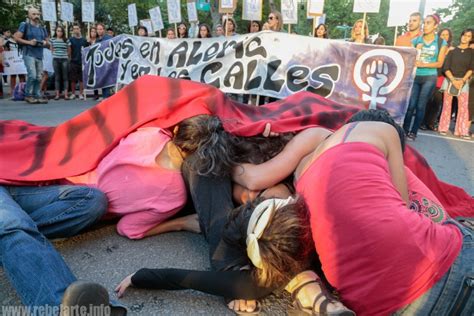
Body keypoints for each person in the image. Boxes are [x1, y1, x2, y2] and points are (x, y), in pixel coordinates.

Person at [0, 183, 110, 312]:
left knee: (92, 199)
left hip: (15, 183)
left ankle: (13, 234)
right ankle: (58, 308)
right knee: (12, 226)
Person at [403, 14, 448, 141]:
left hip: (430, 76)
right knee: (411, 105)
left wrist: (424, 64)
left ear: (435, 26)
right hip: (416, 76)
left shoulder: (440, 42)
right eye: (425, 23)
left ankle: (413, 132)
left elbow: (439, 63)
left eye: (429, 23)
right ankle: (405, 130)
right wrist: (416, 51)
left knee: (420, 106)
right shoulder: (417, 40)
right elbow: (409, 58)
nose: (425, 25)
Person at [438, 28, 474, 139]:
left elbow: (472, 68)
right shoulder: (452, 51)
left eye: (468, 36)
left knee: (463, 108)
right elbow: (446, 67)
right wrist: (453, 80)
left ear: (471, 39)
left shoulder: (472, 52)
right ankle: (443, 128)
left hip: (464, 82)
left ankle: (461, 131)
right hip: (450, 80)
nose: (465, 38)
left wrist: (462, 80)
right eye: (464, 35)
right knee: (446, 106)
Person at [13, 7, 49, 104]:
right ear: (29, 15)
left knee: (38, 76)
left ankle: (37, 95)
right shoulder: (24, 25)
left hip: (39, 54)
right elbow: (16, 37)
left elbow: (48, 42)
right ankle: (28, 95)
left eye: (37, 14)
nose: (36, 16)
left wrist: (45, 42)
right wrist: (29, 42)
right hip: (28, 53)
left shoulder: (42, 27)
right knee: (32, 75)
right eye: (33, 14)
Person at [422, 27, 454, 130]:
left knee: (437, 101)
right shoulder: (434, 47)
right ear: (439, 36)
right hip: (431, 74)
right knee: (427, 100)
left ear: (449, 37)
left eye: (446, 35)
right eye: (442, 35)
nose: (444, 36)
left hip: (442, 78)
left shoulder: (452, 50)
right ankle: (422, 122)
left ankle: (431, 122)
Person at [3, 28, 26, 98]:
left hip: (20, 61)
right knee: (13, 76)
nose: (18, 35)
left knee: (22, 76)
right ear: (13, 35)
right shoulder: (8, 42)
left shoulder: (21, 42)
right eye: (16, 34)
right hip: (12, 62)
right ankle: (12, 91)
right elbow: (6, 52)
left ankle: (22, 90)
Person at [50, 25, 71, 100]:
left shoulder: (66, 40)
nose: (59, 32)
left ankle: (66, 95)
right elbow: (51, 49)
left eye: (61, 31)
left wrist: (66, 56)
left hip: (64, 60)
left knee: (65, 77)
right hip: (55, 59)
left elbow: (69, 50)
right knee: (57, 77)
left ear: (63, 32)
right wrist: (54, 54)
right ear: (56, 31)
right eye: (58, 31)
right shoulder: (52, 40)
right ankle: (57, 95)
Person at [69, 24, 88, 100]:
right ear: (73, 30)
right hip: (73, 61)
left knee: (81, 79)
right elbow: (69, 50)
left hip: (82, 62)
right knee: (73, 79)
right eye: (74, 29)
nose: (76, 30)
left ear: (80, 29)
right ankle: (73, 94)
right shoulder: (70, 39)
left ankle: (81, 94)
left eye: (77, 28)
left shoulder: (84, 40)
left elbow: (87, 49)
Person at [96, 23, 113, 99]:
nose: (99, 31)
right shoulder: (97, 40)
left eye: (100, 29)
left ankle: (107, 97)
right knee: (103, 80)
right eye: (98, 29)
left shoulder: (109, 38)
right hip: (101, 63)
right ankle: (105, 96)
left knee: (108, 81)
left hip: (109, 63)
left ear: (104, 30)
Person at [87, 26, 100, 100]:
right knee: (93, 77)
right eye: (92, 31)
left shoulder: (99, 40)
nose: (93, 33)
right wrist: (88, 43)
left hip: (98, 60)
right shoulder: (87, 41)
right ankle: (95, 94)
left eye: (94, 31)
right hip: (90, 61)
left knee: (98, 77)